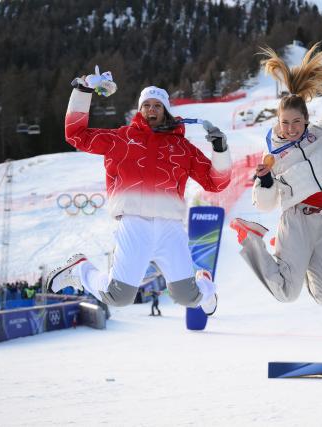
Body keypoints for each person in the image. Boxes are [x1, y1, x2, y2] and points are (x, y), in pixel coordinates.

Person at [47, 69, 232, 316]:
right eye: (147, 105)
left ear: (166, 110)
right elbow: (76, 135)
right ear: (139, 110)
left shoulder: (182, 148)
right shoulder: (121, 139)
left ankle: (205, 282)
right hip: (134, 224)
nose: (152, 110)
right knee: (118, 297)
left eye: (157, 105)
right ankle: (81, 269)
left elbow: (215, 183)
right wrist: (83, 91)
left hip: (170, 228)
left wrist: (220, 150)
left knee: (188, 297)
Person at [229, 26, 322, 305]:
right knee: (287, 293)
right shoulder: (272, 154)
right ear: (278, 122)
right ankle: (251, 239)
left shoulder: (321, 133)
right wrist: (264, 181)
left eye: (296, 122)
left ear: (306, 120)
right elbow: (265, 204)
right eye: (285, 123)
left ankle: (294, 260)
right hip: (295, 219)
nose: (290, 128)